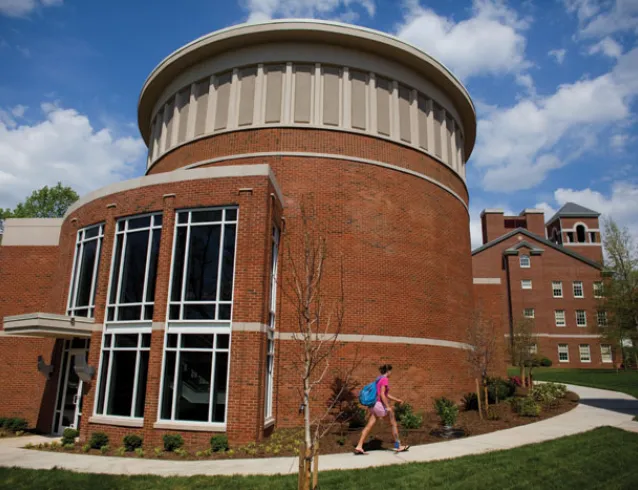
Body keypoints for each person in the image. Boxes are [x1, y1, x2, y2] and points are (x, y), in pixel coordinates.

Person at [354, 364, 409, 454]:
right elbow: (382, 394)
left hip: (373, 405)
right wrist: (387, 407)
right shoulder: (385, 379)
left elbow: (385, 394)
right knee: (393, 424)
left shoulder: (378, 379)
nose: (391, 373)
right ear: (388, 371)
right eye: (391, 371)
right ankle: (398, 446)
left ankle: (359, 446)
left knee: (369, 426)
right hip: (379, 405)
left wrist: (397, 400)